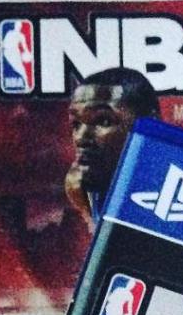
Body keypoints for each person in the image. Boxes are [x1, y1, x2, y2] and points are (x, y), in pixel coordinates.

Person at [65, 67, 160, 224]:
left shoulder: (177, 191)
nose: (81, 138)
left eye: (104, 121)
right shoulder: (89, 186)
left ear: (150, 125)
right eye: (76, 124)